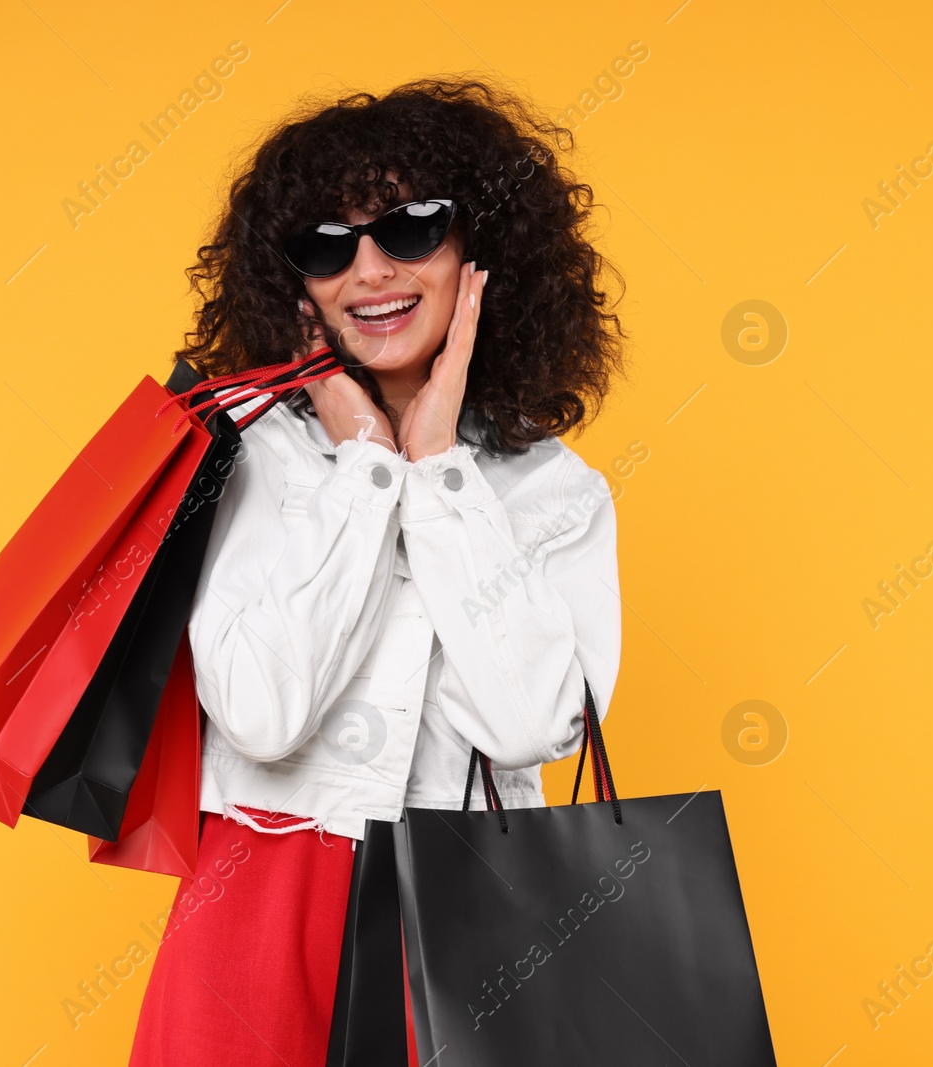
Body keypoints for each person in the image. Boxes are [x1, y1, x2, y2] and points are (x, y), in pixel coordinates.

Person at [129, 77, 627, 1066]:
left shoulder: (554, 491)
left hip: (471, 904)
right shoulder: (240, 456)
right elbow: (263, 715)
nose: (367, 270)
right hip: (260, 892)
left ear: (477, 253)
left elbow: (531, 725)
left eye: (407, 229)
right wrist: (365, 466)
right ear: (295, 283)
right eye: (326, 244)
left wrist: (437, 468)